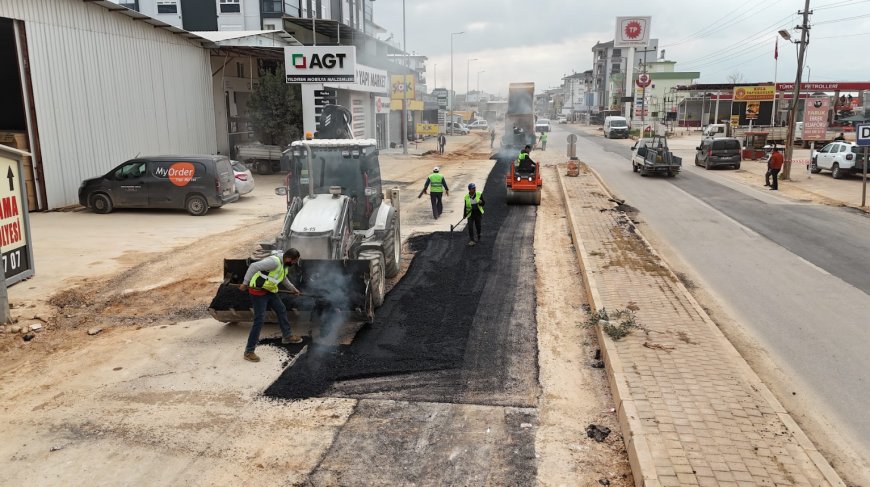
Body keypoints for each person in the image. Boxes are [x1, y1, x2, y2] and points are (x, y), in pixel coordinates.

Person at [239, 248, 303, 362]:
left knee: (281, 309)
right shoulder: (274, 261)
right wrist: (245, 283)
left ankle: (287, 336)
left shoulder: (284, 264)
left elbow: (283, 278)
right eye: (294, 261)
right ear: (288, 258)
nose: (294, 264)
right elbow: (253, 267)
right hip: (258, 292)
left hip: (270, 291)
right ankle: (249, 351)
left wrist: (293, 289)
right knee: (259, 320)